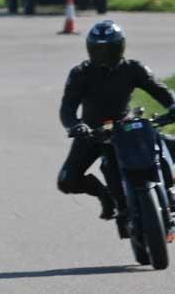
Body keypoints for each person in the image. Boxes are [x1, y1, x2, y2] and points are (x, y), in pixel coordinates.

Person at [58, 20, 175, 223]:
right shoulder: (80, 74)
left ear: (120, 47)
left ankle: (170, 192)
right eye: (98, 49)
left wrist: (173, 106)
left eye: (109, 49)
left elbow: (159, 89)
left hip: (126, 128)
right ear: (90, 49)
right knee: (67, 180)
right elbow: (67, 107)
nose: (103, 55)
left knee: (161, 144)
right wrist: (75, 125)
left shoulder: (133, 68)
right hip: (92, 131)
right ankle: (107, 196)